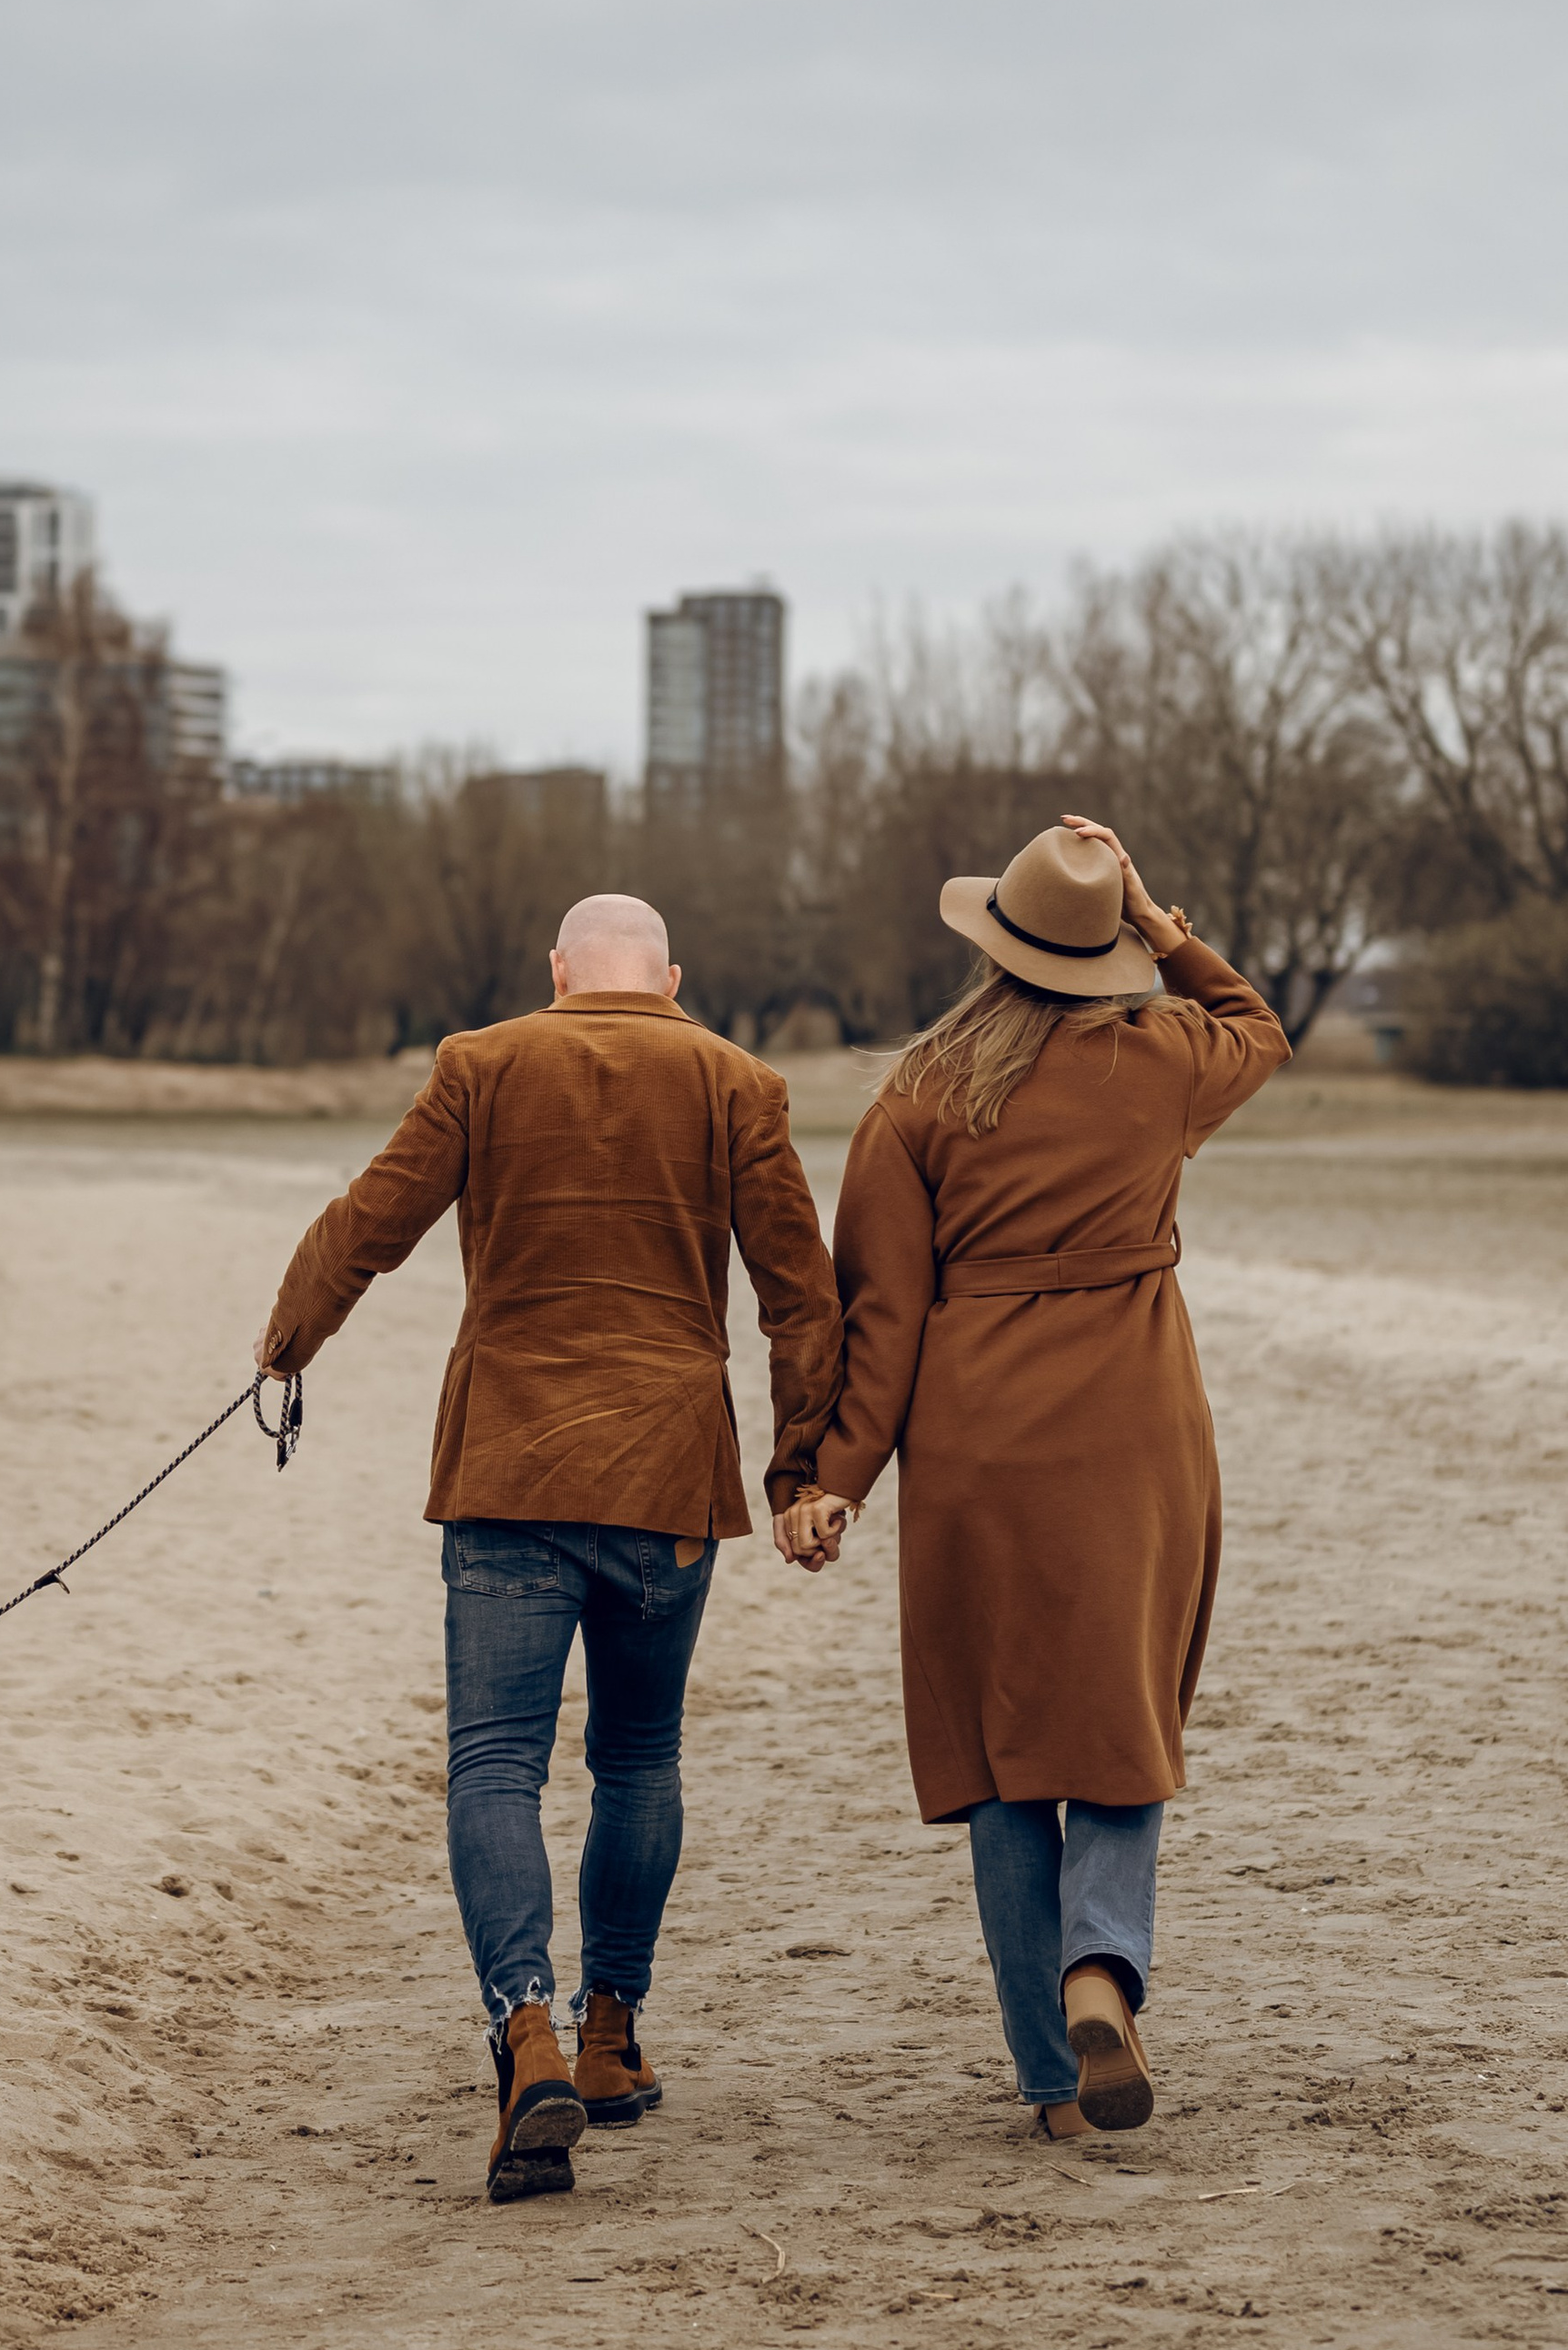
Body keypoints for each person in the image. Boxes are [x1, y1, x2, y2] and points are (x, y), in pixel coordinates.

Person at [255, 893, 842, 2204]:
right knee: (638, 1758)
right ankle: (610, 2037)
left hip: (509, 1471)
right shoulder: (736, 1082)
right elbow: (800, 1292)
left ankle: (525, 2036)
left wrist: (288, 1341)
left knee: (494, 1765)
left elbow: (371, 1224)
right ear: (672, 979)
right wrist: (800, 1464)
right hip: (667, 1476)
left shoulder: (481, 1064)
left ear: (560, 974)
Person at [783, 816, 1288, 2139]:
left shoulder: (920, 1094)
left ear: (992, 942)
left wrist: (835, 1477)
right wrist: (1162, 918)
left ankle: (1055, 2088)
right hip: (1133, 1427)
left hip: (978, 1442)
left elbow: (879, 1318)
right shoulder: (1169, 1056)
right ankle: (1100, 1972)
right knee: (1119, 1712)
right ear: (1110, 947)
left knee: (1008, 1748)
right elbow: (1260, 1026)